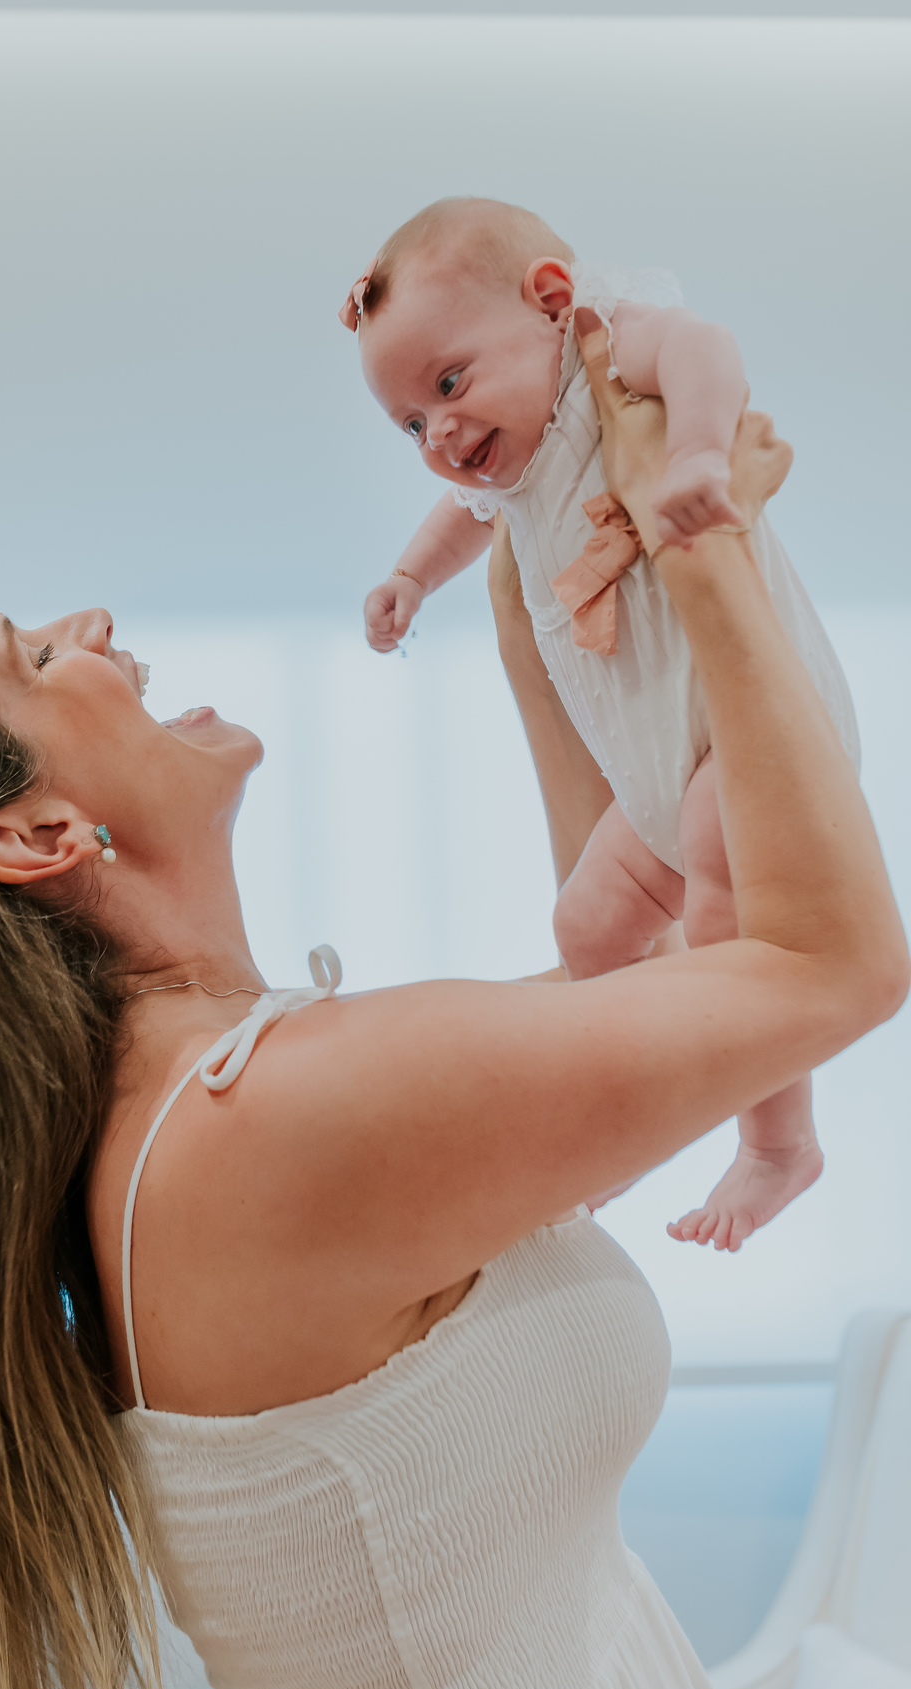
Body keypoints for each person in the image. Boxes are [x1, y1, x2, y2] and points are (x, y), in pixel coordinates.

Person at [0, 317, 905, 1689]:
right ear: (32, 838)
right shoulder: (268, 1123)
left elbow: (637, 974)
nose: (86, 622)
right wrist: (709, 533)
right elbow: (826, 966)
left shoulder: (210, 1117)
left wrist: (538, 593)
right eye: (32, 654)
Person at [344, 197, 860, 1253]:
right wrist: (407, 578)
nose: (438, 433)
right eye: (410, 424)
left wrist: (700, 459)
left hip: (749, 731)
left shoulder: (612, 353)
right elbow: (459, 521)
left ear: (550, 300)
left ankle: (778, 1146)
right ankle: (632, 1120)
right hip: (656, 775)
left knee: (725, 929)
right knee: (588, 924)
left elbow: (710, 353)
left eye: (448, 384)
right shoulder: (514, 473)